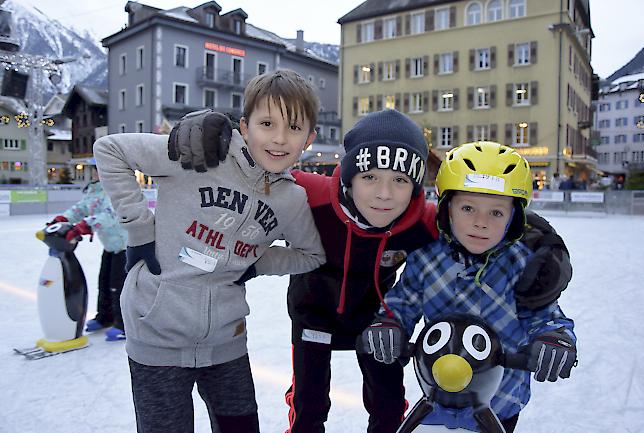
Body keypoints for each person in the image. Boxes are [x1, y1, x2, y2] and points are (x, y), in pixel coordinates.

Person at [167, 108, 574, 433]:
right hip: (315, 314)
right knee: (310, 404)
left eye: (400, 180)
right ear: (348, 176)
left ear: (417, 188)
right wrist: (214, 126)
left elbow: (503, 221)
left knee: (386, 403)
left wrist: (546, 249)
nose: (383, 194)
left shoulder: (426, 224)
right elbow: (261, 166)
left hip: (375, 323)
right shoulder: (312, 194)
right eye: (369, 177)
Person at [93, 69, 326, 433]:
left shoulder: (291, 200)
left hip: (226, 340)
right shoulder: (200, 154)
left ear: (309, 138)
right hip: (157, 332)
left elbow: (312, 255)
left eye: (294, 128)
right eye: (267, 123)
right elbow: (110, 149)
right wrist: (140, 230)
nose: (280, 139)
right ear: (244, 128)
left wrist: (257, 263)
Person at [358, 141, 577, 433]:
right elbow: (403, 303)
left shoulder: (524, 265)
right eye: (468, 207)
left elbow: (545, 315)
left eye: (496, 213)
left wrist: (555, 337)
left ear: (514, 217)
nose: (480, 223)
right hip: (438, 395)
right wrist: (389, 325)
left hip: (500, 403)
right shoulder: (426, 257)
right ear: (447, 209)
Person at [49, 165, 128, 341]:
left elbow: (110, 215)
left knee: (119, 286)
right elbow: (80, 209)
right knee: (104, 282)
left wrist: (84, 226)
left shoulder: (115, 190)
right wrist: (63, 219)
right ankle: (105, 317)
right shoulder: (94, 191)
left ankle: (124, 324)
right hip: (110, 245)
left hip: (125, 245)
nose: (94, 173)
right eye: (93, 170)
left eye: (98, 169)